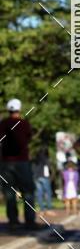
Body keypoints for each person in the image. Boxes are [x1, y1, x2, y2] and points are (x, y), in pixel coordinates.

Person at [0, 98, 39, 233]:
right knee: (28, 192)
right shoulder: (24, 124)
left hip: (6, 163)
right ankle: (30, 221)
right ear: (19, 109)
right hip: (22, 162)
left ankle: (13, 221)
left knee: (9, 193)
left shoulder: (3, 123)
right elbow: (28, 138)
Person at [33, 147, 54, 215]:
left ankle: (42, 210)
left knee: (39, 194)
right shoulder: (45, 159)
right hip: (44, 177)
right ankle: (49, 209)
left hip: (36, 177)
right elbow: (48, 167)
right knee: (47, 193)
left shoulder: (35, 159)